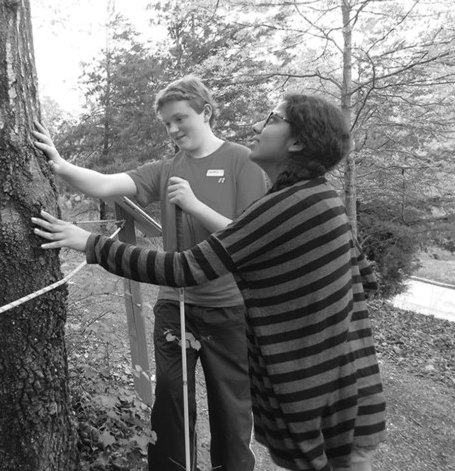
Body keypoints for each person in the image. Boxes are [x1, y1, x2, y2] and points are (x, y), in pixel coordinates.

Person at [32, 93, 387, 471]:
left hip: (324, 393)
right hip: (332, 387)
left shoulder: (283, 197)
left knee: (235, 411)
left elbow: (194, 264)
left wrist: (90, 243)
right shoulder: (316, 197)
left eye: (270, 119)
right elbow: (364, 276)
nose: (255, 126)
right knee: (171, 399)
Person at [32, 75, 266, 471]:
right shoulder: (167, 167)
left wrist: (193, 205)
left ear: (206, 112)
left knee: (231, 410)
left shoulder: (241, 160)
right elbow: (107, 185)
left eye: (180, 119)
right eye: (167, 124)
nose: (174, 130)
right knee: (171, 401)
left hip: (229, 311)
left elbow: (250, 239)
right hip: (175, 306)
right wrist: (59, 165)